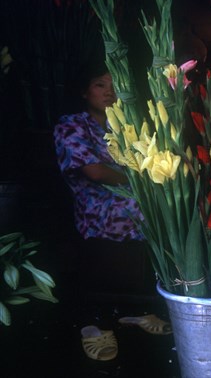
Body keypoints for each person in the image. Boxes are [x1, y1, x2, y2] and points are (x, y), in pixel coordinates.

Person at [53, 63, 155, 299]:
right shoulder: (71, 125)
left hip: (132, 195)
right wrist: (139, 178)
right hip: (98, 208)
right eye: (100, 85)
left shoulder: (123, 125)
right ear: (84, 92)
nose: (109, 92)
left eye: (114, 86)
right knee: (154, 207)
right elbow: (95, 172)